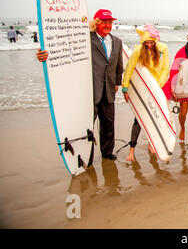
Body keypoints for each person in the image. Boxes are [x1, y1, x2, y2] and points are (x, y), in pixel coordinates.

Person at [36, 9, 123, 160]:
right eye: (104, 22)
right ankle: (86, 156)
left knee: (108, 124)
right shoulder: (85, 39)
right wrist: (44, 54)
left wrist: (117, 83)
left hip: (108, 90)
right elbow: (64, 50)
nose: (107, 25)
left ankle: (107, 153)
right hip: (90, 90)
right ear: (96, 23)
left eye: (109, 22)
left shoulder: (117, 41)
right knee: (87, 127)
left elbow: (118, 66)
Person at [121, 24, 170, 161]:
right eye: (146, 42)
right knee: (139, 119)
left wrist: (157, 87)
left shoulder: (163, 49)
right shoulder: (138, 50)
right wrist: (125, 88)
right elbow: (130, 68)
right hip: (144, 89)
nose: (149, 45)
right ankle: (132, 150)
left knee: (156, 116)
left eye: (151, 42)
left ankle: (152, 143)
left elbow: (166, 69)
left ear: (155, 40)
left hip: (158, 87)